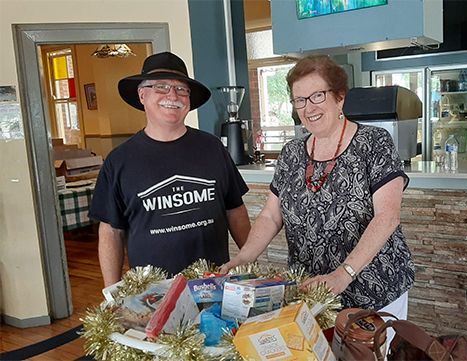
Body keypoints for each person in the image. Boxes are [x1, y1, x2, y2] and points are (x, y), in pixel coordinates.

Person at [221, 55, 414, 325]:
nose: (308, 107)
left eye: (317, 96)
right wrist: (244, 258)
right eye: (299, 100)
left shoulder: (374, 142)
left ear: (339, 97)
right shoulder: (291, 153)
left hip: (372, 289)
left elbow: (388, 217)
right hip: (311, 292)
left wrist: (343, 274)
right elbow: (270, 216)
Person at [89, 51, 251, 287]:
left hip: (215, 285)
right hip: (152, 294)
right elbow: (111, 232)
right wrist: (113, 292)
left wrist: (250, 262)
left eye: (181, 89)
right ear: (142, 95)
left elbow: (235, 209)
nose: (172, 95)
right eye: (161, 87)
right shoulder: (119, 161)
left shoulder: (212, 147)